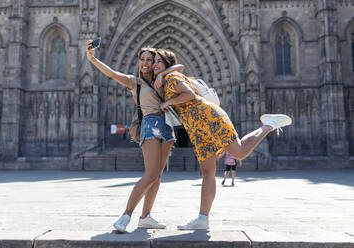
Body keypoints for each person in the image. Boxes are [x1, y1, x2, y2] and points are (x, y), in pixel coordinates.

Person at [153, 48, 292, 230]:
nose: (154, 64)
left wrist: (168, 102)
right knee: (207, 174)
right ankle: (203, 218)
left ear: (166, 65)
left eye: (158, 61)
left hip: (209, 118)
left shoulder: (171, 78)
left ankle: (268, 125)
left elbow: (190, 95)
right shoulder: (166, 79)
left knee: (240, 152)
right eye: (153, 61)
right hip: (198, 130)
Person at [85, 41, 184, 233]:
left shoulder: (163, 78)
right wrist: (92, 58)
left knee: (158, 176)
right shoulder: (134, 81)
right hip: (151, 125)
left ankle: (146, 217)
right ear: (138, 62)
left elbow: (180, 66)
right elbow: (112, 73)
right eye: (143, 59)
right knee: (150, 175)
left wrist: (163, 73)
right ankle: (125, 216)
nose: (146, 63)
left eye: (151, 60)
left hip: (167, 127)